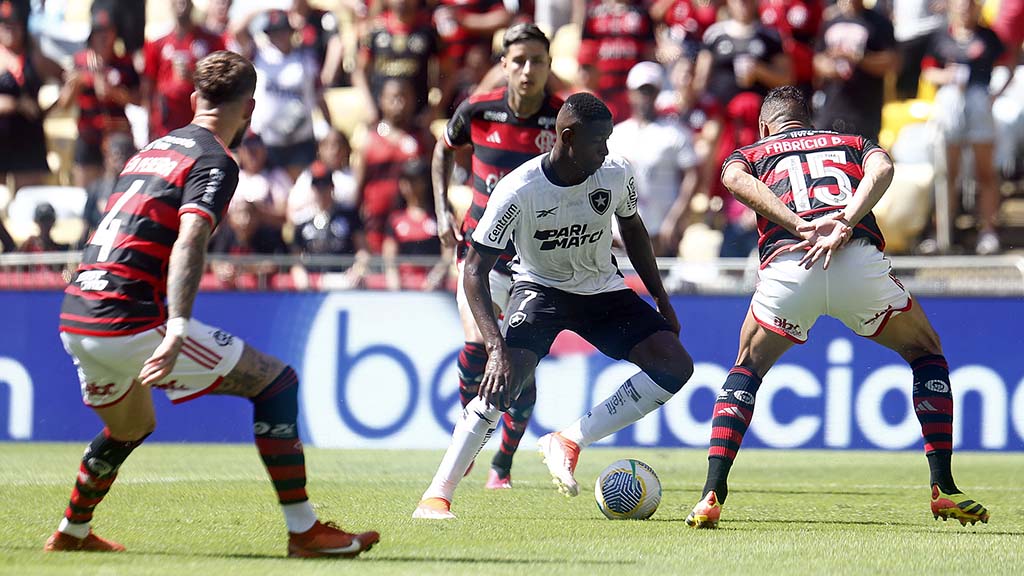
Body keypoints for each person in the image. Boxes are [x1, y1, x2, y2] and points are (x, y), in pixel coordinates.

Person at [48, 51, 379, 557]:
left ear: (194, 97)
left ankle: (71, 532)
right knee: (276, 383)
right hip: (130, 321)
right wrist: (178, 323)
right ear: (249, 109)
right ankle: (304, 531)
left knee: (131, 427)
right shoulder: (214, 160)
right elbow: (190, 239)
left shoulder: (150, 150)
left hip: (76, 314)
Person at [684, 86, 990, 529]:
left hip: (791, 266)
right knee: (926, 353)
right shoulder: (849, 142)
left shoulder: (754, 149)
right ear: (808, 121)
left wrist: (799, 225)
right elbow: (883, 167)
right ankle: (943, 486)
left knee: (747, 366)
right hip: (855, 260)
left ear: (765, 125)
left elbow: (733, 180)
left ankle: (712, 492)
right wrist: (844, 220)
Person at [413, 92, 695, 519]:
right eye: (599, 141)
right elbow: (473, 270)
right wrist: (495, 349)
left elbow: (633, 229)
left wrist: (660, 297)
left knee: (676, 366)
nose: (606, 150)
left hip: (601, 290)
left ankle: (569, 440)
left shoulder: (616, 173)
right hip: (540, 290)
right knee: (502, 384)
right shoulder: (518, 189)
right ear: (567, 137)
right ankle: (437, 494)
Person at [430, 23, 563, 491]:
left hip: (533, 263)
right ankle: (467, 442)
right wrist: (442, 211)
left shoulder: (563, 119)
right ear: (504, 64)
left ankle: (502, 464)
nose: (528, 70)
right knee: (477, 349)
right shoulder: (477, 110)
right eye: (520, 60)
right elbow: (442, 152)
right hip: (479, 257)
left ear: (549, 67)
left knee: (519, 368)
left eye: (538, 62)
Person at [921, 0, 1010, 255]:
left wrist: (995, 94)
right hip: (950, 104)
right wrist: (946, 77)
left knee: (985, 172)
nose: (964, 9)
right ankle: (942, 232)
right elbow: (928, 71)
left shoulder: (988, 36)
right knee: (947, 172)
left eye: (969, 5)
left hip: (979, 103)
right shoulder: (940, 36)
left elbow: (1007, 62)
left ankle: (989, 230)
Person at [608, 61, 701, 256]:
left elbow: (692, 175)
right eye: (641, 91)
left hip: (660, 232)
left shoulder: (675, 133)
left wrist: (675, 219)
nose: (646, 97)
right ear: (630, 93)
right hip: (619, 234)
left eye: (651, 91)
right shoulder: (616, 135)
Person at [59, 7, 141, 188]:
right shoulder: (80, 62)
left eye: (108, 32)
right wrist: (76, 84)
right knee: (87, 191)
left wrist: (112, 91)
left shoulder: (124, 63)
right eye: (98, 33)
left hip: (117, 137)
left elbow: (138, 99)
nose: (103, 38)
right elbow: (64, 103)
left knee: (118, 189)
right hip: (89, 136)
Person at [0, 0, 63, 191]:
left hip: (28, 141)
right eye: (5, 25)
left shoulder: (35, 59)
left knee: (27, 201)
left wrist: (49, 109)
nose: (9, 30)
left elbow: (67, 79)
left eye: (15, 25)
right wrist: (17, 104)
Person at [812, 0, 896, 142]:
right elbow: (818, 59)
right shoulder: (831, 21)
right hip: (832, 108)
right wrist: (830, 69)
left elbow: (891, 62)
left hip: (864, 111)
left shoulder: (879, 22)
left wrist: (858, 59)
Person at [142, 0, 225, 141]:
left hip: (201, 125)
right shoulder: (157, 42)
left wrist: (195, 77)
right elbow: (148, 86)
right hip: (167, 126)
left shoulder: (213, 41)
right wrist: (150, 123)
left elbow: (222, 82)